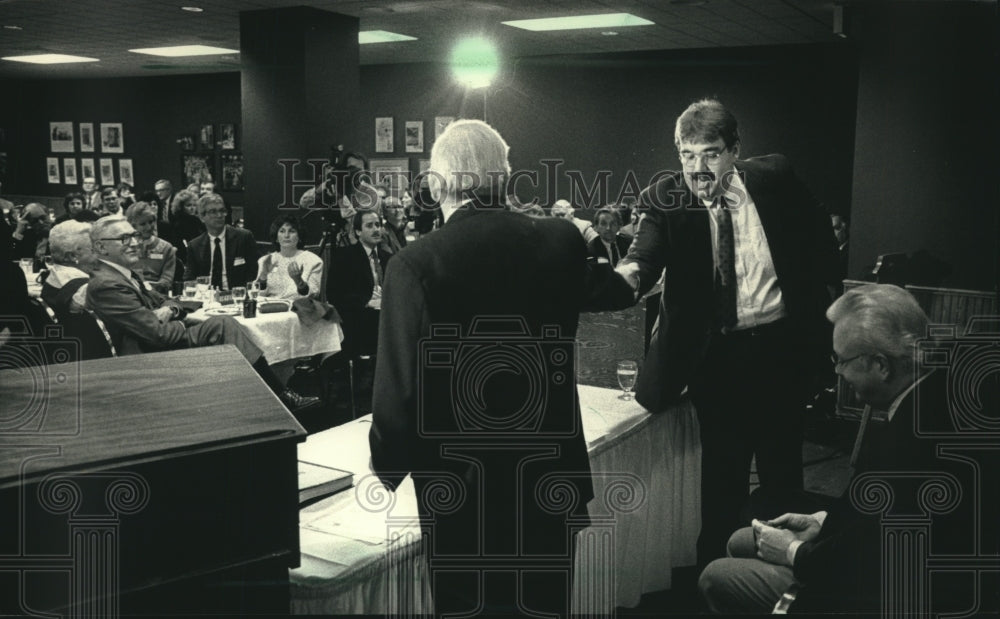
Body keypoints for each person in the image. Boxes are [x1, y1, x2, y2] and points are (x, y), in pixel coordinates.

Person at [368, 119, 634, 616]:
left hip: (462, 491)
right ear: (504, 178)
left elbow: (399, 392)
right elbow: (609, 290)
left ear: (438, 183)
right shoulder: (559, 241)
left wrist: (386, 467)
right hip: (549, 475)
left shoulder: (415, 263)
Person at [615, 98, 840, 565]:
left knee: (782, 475)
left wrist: (822, 296)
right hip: (717, 358)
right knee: (723, 480)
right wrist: (625, 276)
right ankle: (714, 581)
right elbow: (643, 254)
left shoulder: (774, 176)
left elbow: (819, 229)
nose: (698, 168)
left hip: (780, 349)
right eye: (687, 155)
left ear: (735, 149)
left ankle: (785, 576)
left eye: (711, 153)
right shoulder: (664, 198)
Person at [698, 284, 956, 615]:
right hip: (877, 560)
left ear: (881, 365)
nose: (837, 372)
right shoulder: (927, 398)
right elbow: (874, 516)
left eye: (842, 360)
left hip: (886, 596)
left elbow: (874, 558)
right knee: (741, 540)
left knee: (714, 576)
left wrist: (794, 551)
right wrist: (822, 522)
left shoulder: (912, 441)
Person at [85, 216, 317, 408]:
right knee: (222, 325)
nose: (135, 243)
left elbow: (169, 300)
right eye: (124, 238)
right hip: (147, 355)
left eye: (134, 236)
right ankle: (276, 396)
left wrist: (170, 310)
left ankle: (269, 397)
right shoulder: (108, 283)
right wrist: (177, 319)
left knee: (224, 325)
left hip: (155, 340)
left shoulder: (125, 274)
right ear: (100, 247)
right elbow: (158, 334)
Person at [327, 209, 390, 358]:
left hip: (388, 315)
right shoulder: (344, 257)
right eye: (369, 226)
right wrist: (368, 302)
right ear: (358, 231)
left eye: (377, 225)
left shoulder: (389, 258)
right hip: (359, 317)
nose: (376, 229)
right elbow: (333, 294)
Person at [183, 193, 258, 288]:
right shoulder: (195, 245)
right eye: (213, 212)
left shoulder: (243, 237)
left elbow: (254, 273)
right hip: (207, 296)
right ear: (202, 217)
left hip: (236, 295)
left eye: (222, 211)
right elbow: (189, 278)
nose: (219, 215)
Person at [256, 214, 323, 300]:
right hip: (269, 309)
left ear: (300, 237)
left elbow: (314, 294)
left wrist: (299, 281)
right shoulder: (265, 260)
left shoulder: (313, 261)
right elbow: (258, 295)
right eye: (282, 231)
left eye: (292, 231)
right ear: (276, 237)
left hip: (298, 310)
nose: (286, 235)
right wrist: (263, 277)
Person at [126, 201, 176, 295]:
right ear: (133, 226)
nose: (149, 227)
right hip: (130, 294)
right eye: (143, 224)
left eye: (151, 222)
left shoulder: (166, 248)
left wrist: (149, 288)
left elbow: (166, 281)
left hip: (157, 296)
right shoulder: (126, 247)